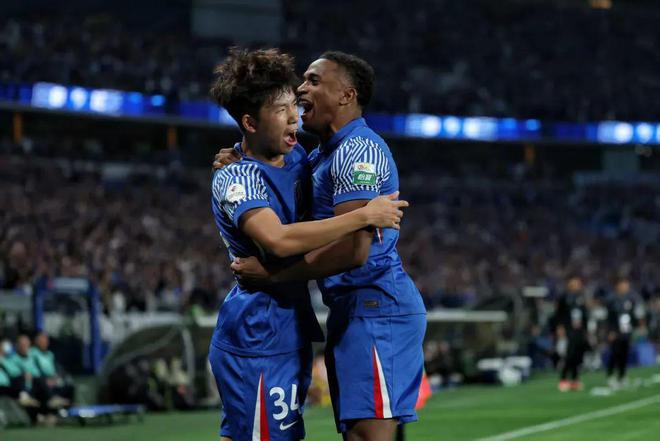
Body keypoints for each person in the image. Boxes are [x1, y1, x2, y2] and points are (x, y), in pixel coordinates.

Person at [219, 51, 426, 441]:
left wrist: (273, 276)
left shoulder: (359, 151)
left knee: (368, 436)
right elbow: (272, 163)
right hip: (351, 310)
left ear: (347, 95)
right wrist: (241, 157)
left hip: (376, 306)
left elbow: (353, 252)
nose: (301, 88)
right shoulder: (319, 156)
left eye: (313, 81)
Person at [552, 276, 590, 391]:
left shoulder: (581, 297)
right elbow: (558, 314)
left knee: (578, 356)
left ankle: (575, 380)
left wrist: (586, 330)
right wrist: (560, 327)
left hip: (579, 330)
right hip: (568, 329)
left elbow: (585, 315)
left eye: (578, 283)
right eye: (574, 283)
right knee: (569, 355)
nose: (576, 285)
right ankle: (563, 379)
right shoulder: (564, 297)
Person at [606, 277, 641, 389]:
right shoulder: (611, 299)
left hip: (626, 331)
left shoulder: (630, 299)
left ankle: (622, 376)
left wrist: (636, 326)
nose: (625, 287)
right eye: (623, 285)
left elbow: (633, 315)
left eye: (626, 285)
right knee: (615, 354)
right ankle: (611, 375)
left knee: (624, 355)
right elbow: (609, 318)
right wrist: (611, 331)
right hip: (616, 332)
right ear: (617, 286)